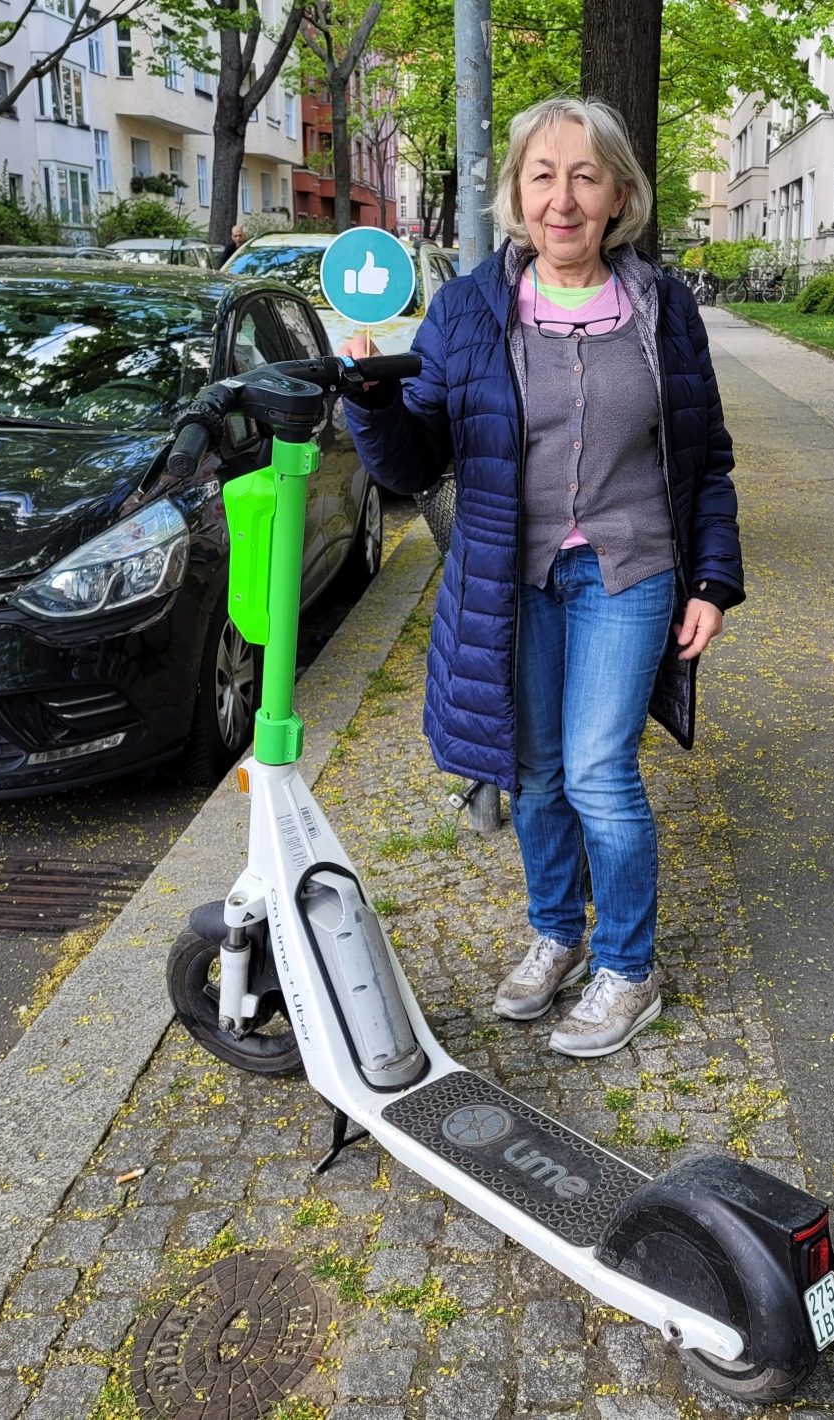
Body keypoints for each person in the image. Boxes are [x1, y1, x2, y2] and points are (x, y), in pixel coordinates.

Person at [342, 97, 743, 1058]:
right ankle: (558, 934)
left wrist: (711, 582)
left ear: (618, 197)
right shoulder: (471, 309)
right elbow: (412, 461)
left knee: (601, 773)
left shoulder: (661, 309)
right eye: (542, 176)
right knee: (535, 772)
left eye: (584, 176)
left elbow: (706, 457)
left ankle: (627, 966)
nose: (561, 199)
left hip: (630, 568)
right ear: (517, 195)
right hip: (511, 576)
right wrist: (369, 403)